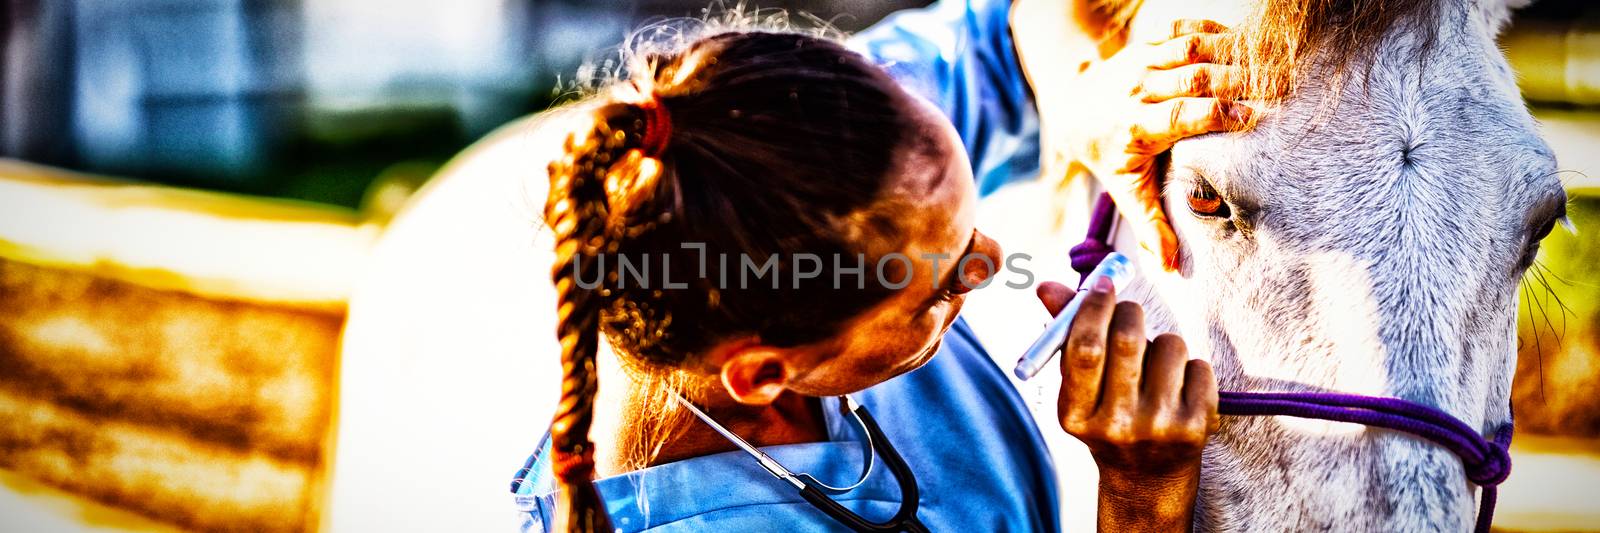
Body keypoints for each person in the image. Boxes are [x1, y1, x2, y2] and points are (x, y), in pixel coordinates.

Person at [511, 0, 1253, 531]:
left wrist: (1080, 92)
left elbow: (1017, 29)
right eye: (940, 282)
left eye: (970, 223)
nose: (992, 260)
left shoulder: (818, 141)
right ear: (765, 374)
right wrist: (1141, 495)